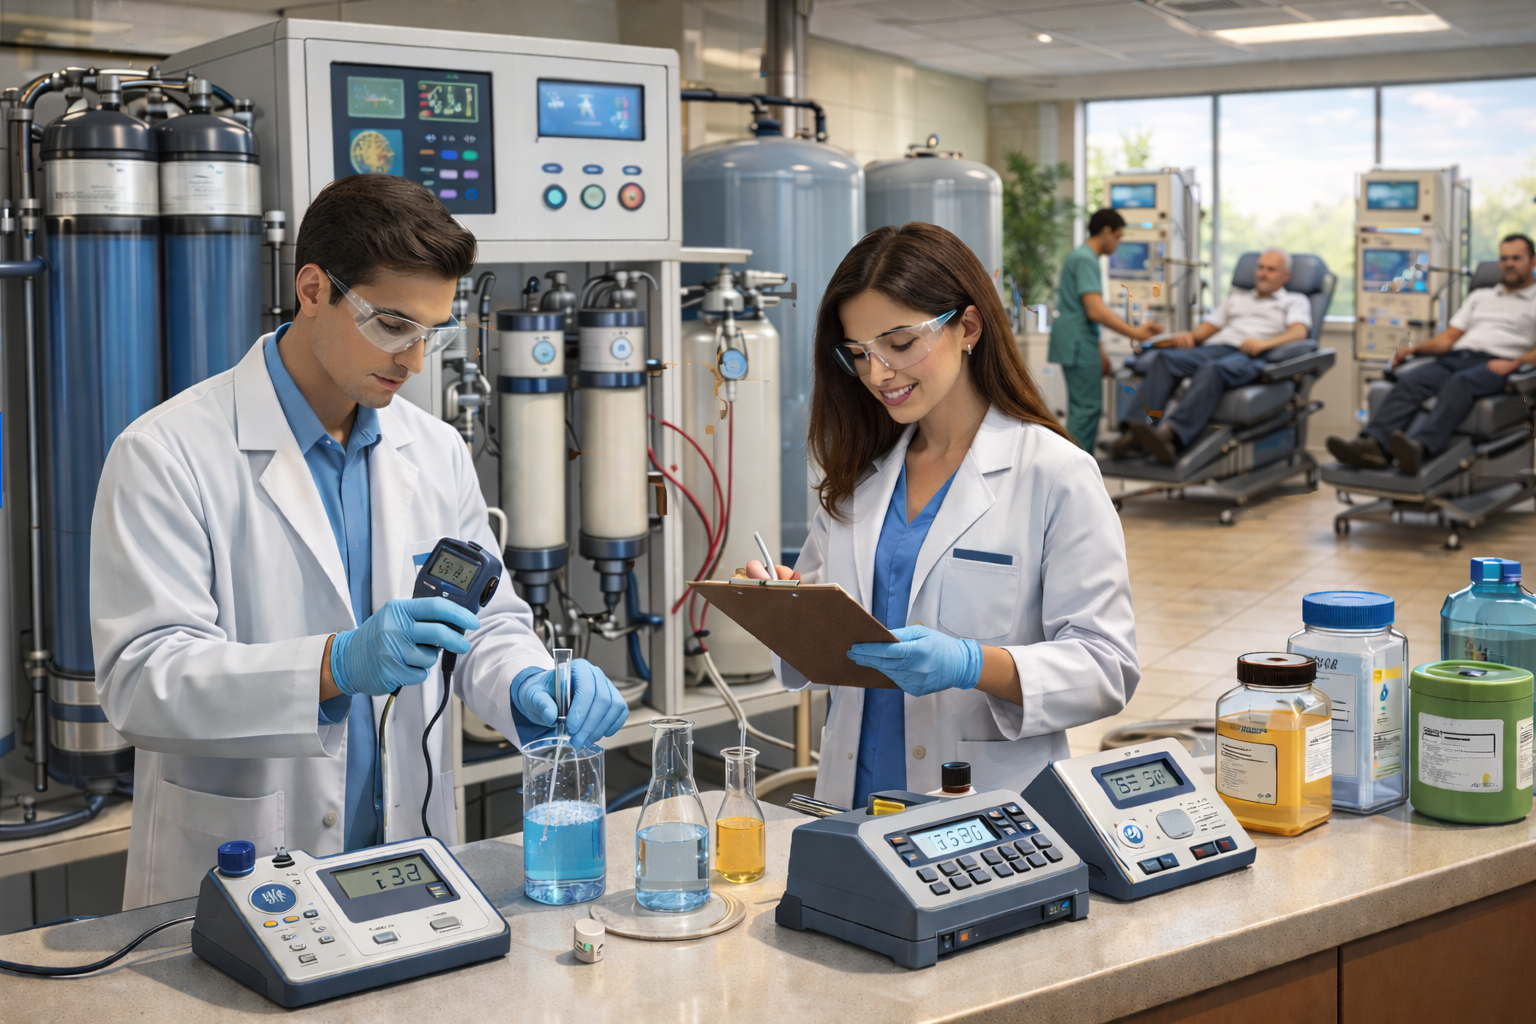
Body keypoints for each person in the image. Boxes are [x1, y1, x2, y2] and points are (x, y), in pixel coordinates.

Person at [91, 175, 630, 908]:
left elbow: (486, 623)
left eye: (431, 333)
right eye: (393, 325)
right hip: (244, 870)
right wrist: (333, 666)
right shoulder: (167, 453)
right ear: (313, 289)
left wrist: (524, 684)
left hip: (406, 861)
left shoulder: (434, 450)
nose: (414, 361)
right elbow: (140, 683)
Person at [744, 223, 1138, 808]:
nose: (878, 374)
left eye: (900, 344)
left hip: (983, 805)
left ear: (968, 328)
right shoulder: (861, 476)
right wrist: (789, 608)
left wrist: (972, 664)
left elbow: (1107, 668)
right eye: (860, 354)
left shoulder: (1055, 473)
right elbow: (828, 645)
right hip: (853, 794)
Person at [1328, 234, 1536, 474]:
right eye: (1504, 258)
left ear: (1532, 262)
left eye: (1516, 258)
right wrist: (1414, 350)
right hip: (1459, 356)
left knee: (1461, 382)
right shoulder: (1481, 296)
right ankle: (1372, 445)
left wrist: (1516, 362)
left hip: (1498, 364)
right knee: (1412, 380)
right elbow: (1449, 338)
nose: (1509, 263)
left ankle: (1419, 447)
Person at [1116, 248, 1312, 464]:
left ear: (1286, 276)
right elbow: (1209, 328)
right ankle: (1133, 434)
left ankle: (1172, 436)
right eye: (1260, 267)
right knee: (1165, 359)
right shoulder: (1237, 297)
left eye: (1271, 269)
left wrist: (1264, 343)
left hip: (1253, 355)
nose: (1263, 273)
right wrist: (1189, 337)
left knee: (1213, 368)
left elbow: (1299, 332)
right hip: (1217, 348)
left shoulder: (1294, 300)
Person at [1049, 208, 1165, 452]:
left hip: (1081, 340)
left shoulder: (1081, 257)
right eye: (1118, 237)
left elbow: (1087, 313)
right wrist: (1136, 333)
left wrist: (1099, 348)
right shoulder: (1085, 259)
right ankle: (1076, 469)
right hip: (1078, 341)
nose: (1118, 244)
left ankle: (1077, 465)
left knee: (1083, 408)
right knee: (1086, 410)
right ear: (1106, 231)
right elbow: (1095, 311)